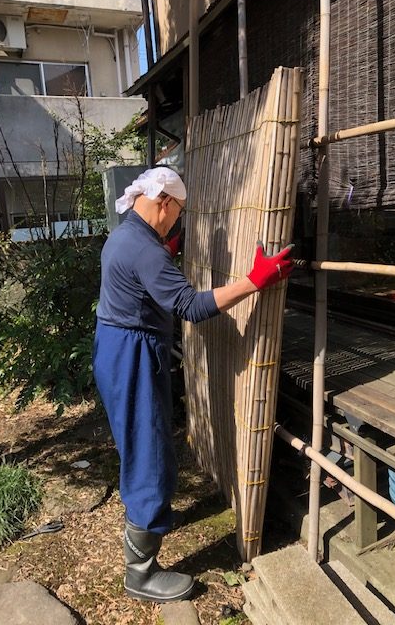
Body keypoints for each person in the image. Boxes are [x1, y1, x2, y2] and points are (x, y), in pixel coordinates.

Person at [93, 166, 293, 604]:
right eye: (177, 214)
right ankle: (140, 574)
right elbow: (190, 306)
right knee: (149, 455)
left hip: (116, 346)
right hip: (132, 356)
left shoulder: (126, 235)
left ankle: (142, 532)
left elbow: (148, 279)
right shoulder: (145, 251)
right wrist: (254, 281)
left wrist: (164, 253)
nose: (176, 223)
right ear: (163, 202)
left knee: (139, 443)